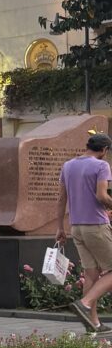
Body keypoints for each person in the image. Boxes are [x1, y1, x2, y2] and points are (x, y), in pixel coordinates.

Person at [57, 132, 112, 331]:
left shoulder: (68, 165)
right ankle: (85, 303)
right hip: (96, 226)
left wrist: (59, 228)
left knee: (91, 274)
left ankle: (93, 323)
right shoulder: (101, 165)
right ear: (104, 150)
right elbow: (101, 195)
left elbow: (61, 199)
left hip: (76, 227)